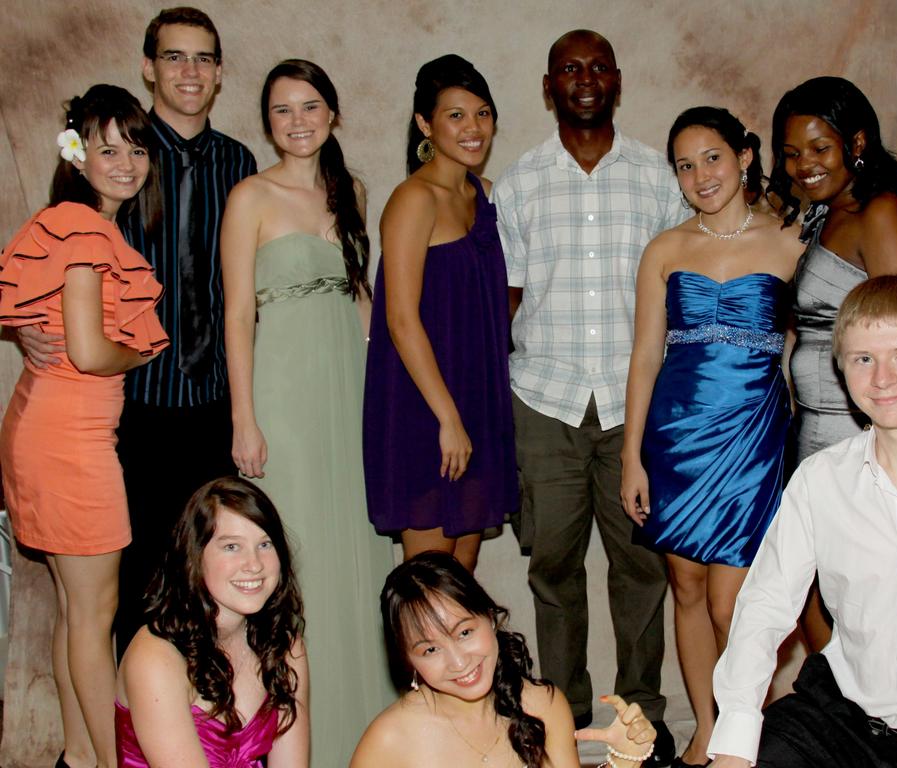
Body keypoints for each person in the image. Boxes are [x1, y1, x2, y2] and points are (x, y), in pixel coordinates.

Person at [15, 7, 259, 657]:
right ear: (149, 67)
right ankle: (128, 740)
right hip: (128, 406)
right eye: (175, 57)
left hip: (211, 404)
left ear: (218, 74)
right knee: (126, 585)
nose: (190, 71)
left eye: (204, 58)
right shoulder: (116, 154)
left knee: (208, 578)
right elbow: (49, 236)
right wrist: (17, 320)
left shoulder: (239, 163)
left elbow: (247, 292)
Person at [707, 276, 897, 768]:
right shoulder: (820, 480)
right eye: (863, 359)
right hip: (841, 725)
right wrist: (734, 739)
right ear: (842, 368)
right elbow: (765, 607)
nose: (882, 379)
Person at [491, 30, 686, 762]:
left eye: (597, 66)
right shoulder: (519, 183)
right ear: (550, 86)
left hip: (637, 408)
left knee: (641, 568)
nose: (584, 78)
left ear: (617, 80)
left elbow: (683, 292)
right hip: (545, 403)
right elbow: (505, 302)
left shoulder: (656, 179)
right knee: (553, 570)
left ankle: (643, 721)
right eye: (570, 68)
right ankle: (564, 719)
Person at [221, 58, 394, 766]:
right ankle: (295, 746)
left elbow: (364, 310)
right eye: (283, 110)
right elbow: (235, 315)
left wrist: (388, 408)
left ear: (332, 113)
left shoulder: (349, 190)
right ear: (268, 123)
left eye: (311, 105)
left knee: (357, 559)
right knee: (295, 564)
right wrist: (244, 417)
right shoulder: (250, 197)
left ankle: (368, 734)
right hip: (282, 399)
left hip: (350, 393)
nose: (298, 120)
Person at [620, 107, 803, 767]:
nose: (701, 175)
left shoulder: (791, 241)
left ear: (745, 157)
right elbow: (643, 357)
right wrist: (631, 457)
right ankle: (705, 728)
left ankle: (746, 732)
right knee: (687, 588)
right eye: (685, 165)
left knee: (734, 603)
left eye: (713, 158)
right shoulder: (666, 248)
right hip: (674, 438)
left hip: (753, 439)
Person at [0, 85, 167, 768]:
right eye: (108, 149)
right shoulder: (85, 227)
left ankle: (78, 755)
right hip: (69, 444)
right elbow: (93, 351)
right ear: (79, 154)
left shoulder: (69, 221)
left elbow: (44, 319)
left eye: (136, 148)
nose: (125, 163)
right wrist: (137, 352)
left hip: (45, 429)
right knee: (93, 621)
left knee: (75, 615)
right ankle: (108, 761)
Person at [768, 75, 897, 652]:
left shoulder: (879, 212)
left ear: (856, 144)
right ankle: (844, 716)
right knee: (817, 588)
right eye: (790, 154)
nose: (802, 166)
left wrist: (894, 451)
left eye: (819, 149)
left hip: (863, 435)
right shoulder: (823, 214)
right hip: (815, 433)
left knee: (868, 593)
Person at [363, 54, 516, 571]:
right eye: (455, 115)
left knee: (462, 580)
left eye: (482, 113)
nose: (473, 128)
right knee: (429, 587)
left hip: (478, 402)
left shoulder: (487, 196)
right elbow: (400, 319)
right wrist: (447, 418)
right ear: (425, 124)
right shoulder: (413, 199)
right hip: (425, 408)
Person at [351, 551, 658, 768]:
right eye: (430, 650)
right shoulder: (388, 741)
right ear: (408, 660)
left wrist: (623, 762)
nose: (458, 662)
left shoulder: (543, 706)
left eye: (465, 632)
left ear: (489, 617)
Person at [115, 476, 308, 767]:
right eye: (232, 546)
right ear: (195, 556)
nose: (254, 564)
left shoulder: (285, 647)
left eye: (265, 544)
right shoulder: (156, 658)